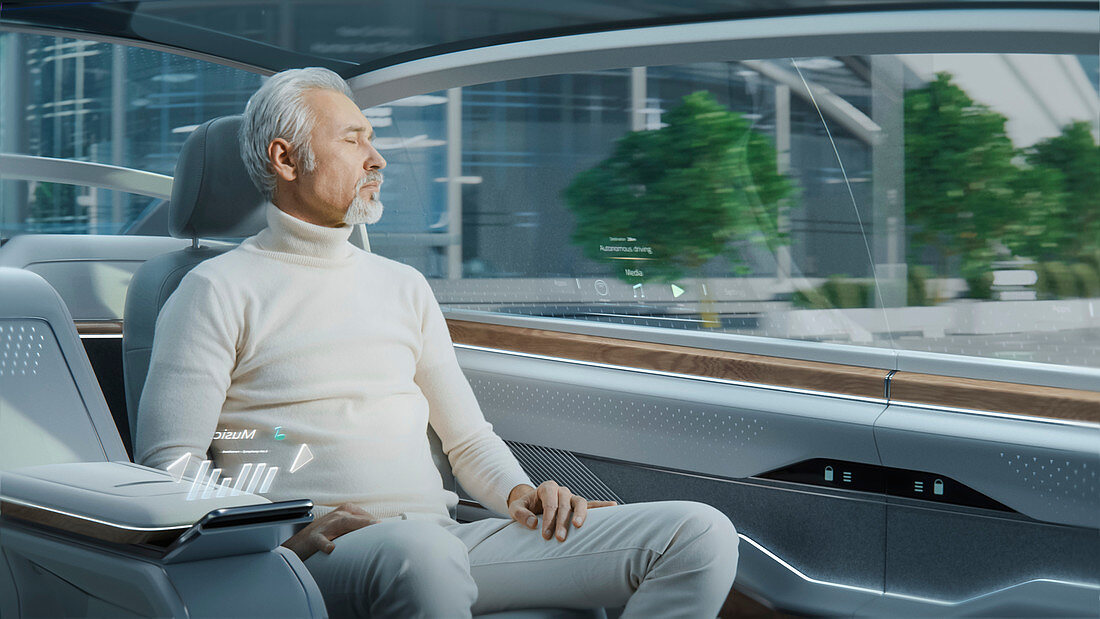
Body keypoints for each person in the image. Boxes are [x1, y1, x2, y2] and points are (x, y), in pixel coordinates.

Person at [135, 67, 738, 618]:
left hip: (443, 541)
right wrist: (284, 531)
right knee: (422, 552)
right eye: (353, 140)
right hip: (314, 555)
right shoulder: (213, 290)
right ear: (286, 160)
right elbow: (170, 469)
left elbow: (469, 441)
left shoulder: (403, 285)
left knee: (698, 534)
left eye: (372, 139)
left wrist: (521, 493)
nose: (378, 159)